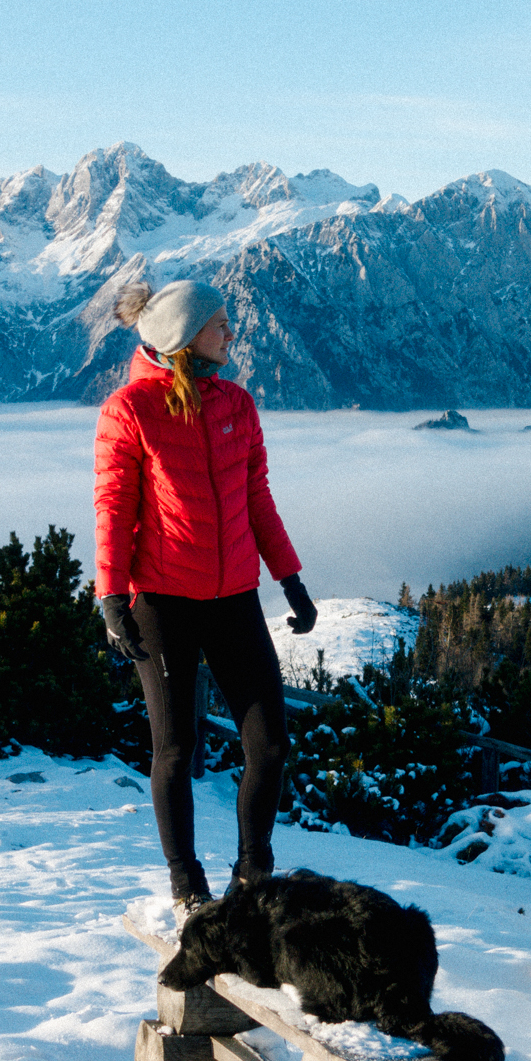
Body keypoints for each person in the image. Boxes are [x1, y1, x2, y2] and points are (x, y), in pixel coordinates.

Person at [93, 276, 317, 922]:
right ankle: (186, 885)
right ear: (187, 339)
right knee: (174, 748)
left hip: (232, 597)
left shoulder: (236, 408)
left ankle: (252, 875)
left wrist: (289, 578)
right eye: (220, 324)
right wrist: (112, 595)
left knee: (269, 742)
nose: (231, 332)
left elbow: (257, 501)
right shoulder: (130, 411)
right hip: (160, 600)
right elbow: (113, 507)